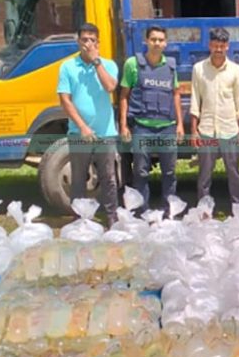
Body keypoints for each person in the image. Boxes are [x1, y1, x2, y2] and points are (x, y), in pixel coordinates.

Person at [57, 22, 120, 226]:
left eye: (92, 40)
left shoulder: (108, 65)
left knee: (108, 177)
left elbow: (110, 87)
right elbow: (65, 100)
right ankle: (80, 219)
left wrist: (96, 62)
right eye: (84, 40)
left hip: (105, 132)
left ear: (98, 43)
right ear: (78, 42)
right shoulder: (67, 67)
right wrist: (83, 127)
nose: (88, 44)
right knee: (79, 178)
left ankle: (112, 217)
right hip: (79, 132)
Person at [119, 25, 183, 212]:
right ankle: (142, 212)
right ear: (146, 41)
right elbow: (124, 96)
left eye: (160, 40)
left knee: (169, 172)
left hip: (167, 127)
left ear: (165, 43)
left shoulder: (170, 66)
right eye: (153, 39)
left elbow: (176, 94)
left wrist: (180, 124)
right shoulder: (132, 64)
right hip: (142, 127)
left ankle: (169, 211)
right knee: (140, 172)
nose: (157, 43)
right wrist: (124, 125)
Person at [190, 27, 239, 208]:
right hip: (207, 130)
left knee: (234, 173)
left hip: (230, 130)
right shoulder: (199, 69)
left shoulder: (235, 70)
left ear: (227, 46)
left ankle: (238, 209)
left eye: (222, 46)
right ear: (210, 45)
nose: (218, 49)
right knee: (204, 175)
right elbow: (195, 101)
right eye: (215, 46)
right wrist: (194, 131)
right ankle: (204, 211)